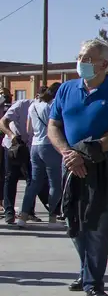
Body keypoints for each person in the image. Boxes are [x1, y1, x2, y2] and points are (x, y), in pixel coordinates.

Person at [48, 39, 108, 296]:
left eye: (87, 58)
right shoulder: (66, 89)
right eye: (80, 56)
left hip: (101, 164)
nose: (81, 61)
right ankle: (87, 270)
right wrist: (67, 153)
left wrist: (86, 152)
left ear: (104, 64)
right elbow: (54, 126)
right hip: (70, 164)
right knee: (72, 221)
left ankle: (93, 282)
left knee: (97, 224)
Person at [19, 83, 62, 226]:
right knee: (55, 183)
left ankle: (23, 216)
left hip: (35, 146)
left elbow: (28, 129)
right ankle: (52, 217)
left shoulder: (33, 106)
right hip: (50, 145)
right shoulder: (51, 106)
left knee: (34, 183)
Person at [1, 91, 34, 224]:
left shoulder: (49, 108)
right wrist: (11, 135)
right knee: (10, 177)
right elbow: (2, 122)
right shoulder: (21, 105)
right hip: (12, 146)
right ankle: (9, 211)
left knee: (31, 179)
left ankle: (28, 211)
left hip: (28, 146)